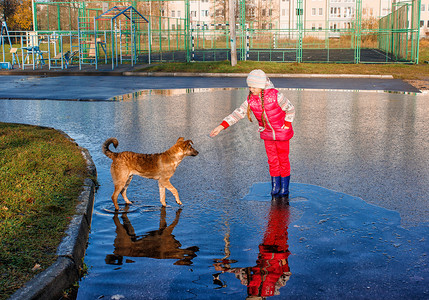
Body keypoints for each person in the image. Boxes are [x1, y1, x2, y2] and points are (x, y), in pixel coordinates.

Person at [210, 69, 295, 198]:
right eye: (249, 86)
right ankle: (275, 186)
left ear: (261, 85)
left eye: (254, 86)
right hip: (267, 134)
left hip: (282, 133)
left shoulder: (276, 95)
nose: (251, 89)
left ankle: (284, 187)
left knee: (283, 160)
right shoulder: (251, 99)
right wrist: (222, 126)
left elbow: (290, 108)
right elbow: (239, 113)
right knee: (272, 160)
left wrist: (287, 124)